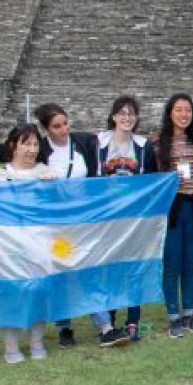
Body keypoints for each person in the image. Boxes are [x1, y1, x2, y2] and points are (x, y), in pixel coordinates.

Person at [34, 103, 127, 348]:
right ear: (45, 129)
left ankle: (105, 326)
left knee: (90, 271)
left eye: (65, 123)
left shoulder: (83, 142)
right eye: (56, 126)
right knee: (62, 274)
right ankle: (65, 327)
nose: (63, 129)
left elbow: (113, 140)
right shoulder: (40, 150)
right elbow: (6, 151)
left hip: (85, 222)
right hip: (56, 225)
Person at [0, 125, 58, 363]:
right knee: (13, 293)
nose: (31, 149)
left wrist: (53, 186)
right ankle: (11, 346)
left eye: (35, 144)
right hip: (10, 246)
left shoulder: (46, 172)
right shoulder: (0, 176)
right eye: (25, 144)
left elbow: (58, 207)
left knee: (39, 291)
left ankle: (37, 341)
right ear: (13, 146)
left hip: (40, 243)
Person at [96, 95, 158, 342]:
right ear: (113, 116)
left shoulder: (144, 146)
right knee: (109, 268)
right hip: (107, 218)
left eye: (131, 113)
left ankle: (133, 320)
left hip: (135, 219)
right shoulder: (99, 143)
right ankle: (109, 321)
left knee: (134, 269)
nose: (126, 118)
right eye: (121, 113)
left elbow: (151, 179)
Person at [152, 94, 193, 338]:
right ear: (170, 114)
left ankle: (189, 313)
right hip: (172, 208)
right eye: (179, 110)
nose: (184, 115)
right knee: (172, 264)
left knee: (190, 263)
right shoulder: (158, 142)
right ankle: (173, 316)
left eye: (188, 110)